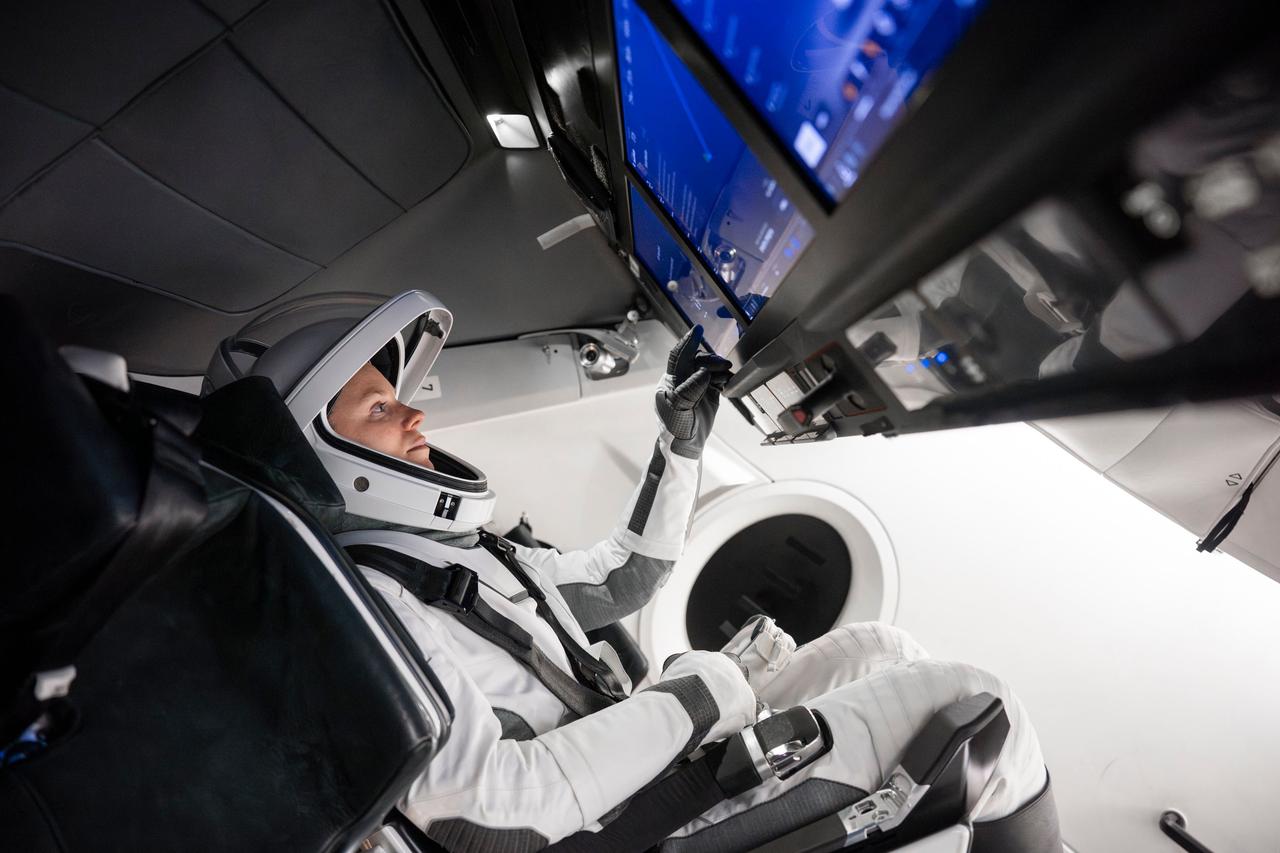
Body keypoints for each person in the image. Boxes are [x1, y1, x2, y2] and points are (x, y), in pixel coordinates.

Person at [209, 290, 1057, 852]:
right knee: (983, 705)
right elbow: (495, 812)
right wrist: (696, 696)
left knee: (880, 642)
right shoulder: (364, 615)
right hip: (632, 829)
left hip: (648, 778)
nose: (416, 412)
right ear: (317, 451)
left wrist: (679, 438)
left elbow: (626, 579)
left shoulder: (444, 559)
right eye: (381, 407)